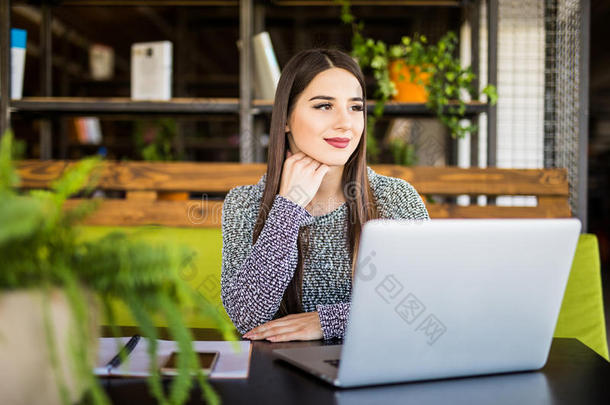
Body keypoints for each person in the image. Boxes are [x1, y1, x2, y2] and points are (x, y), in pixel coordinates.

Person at [221, 48, 429, 343]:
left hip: (373, 371)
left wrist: (329, 321)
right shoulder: (244, 204)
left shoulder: (395, 198)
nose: (346, 122)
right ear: (286, 119)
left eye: (356, 108)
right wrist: (287, 208)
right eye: (323, 106)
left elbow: (428, 304)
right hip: (278, 375)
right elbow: (246, 317)